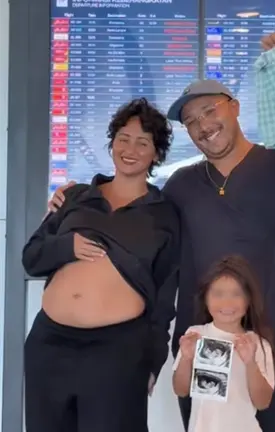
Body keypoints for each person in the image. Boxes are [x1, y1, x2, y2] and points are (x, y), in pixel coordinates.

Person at [48, 30, 275, 432]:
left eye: (209, 111)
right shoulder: (180, 185)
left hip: (272, 340)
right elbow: (130, 210)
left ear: (234, 107)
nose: (202, 125)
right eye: (191, 121)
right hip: (204, 345)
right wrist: (77, 198)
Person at [23, 98, 180, 432]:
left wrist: (153, 361)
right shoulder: (76, 196)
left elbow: (165, 297)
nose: (130, 149)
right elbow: (31, 257)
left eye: (143, 143)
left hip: (117, 351)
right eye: (123, 138)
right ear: (112, 143)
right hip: (50, 344)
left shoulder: (164, 215)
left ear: (156, 154)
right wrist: (67, 246)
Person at [173, 255, 275, 432]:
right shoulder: (195, 335)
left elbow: (262, 402)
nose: (227, 303)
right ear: (205, 298)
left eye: (237, 294)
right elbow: (180, 390)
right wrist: (186, 359)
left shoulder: (257, 344)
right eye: (218, 294)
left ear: (248, 300)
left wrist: (250, 362)